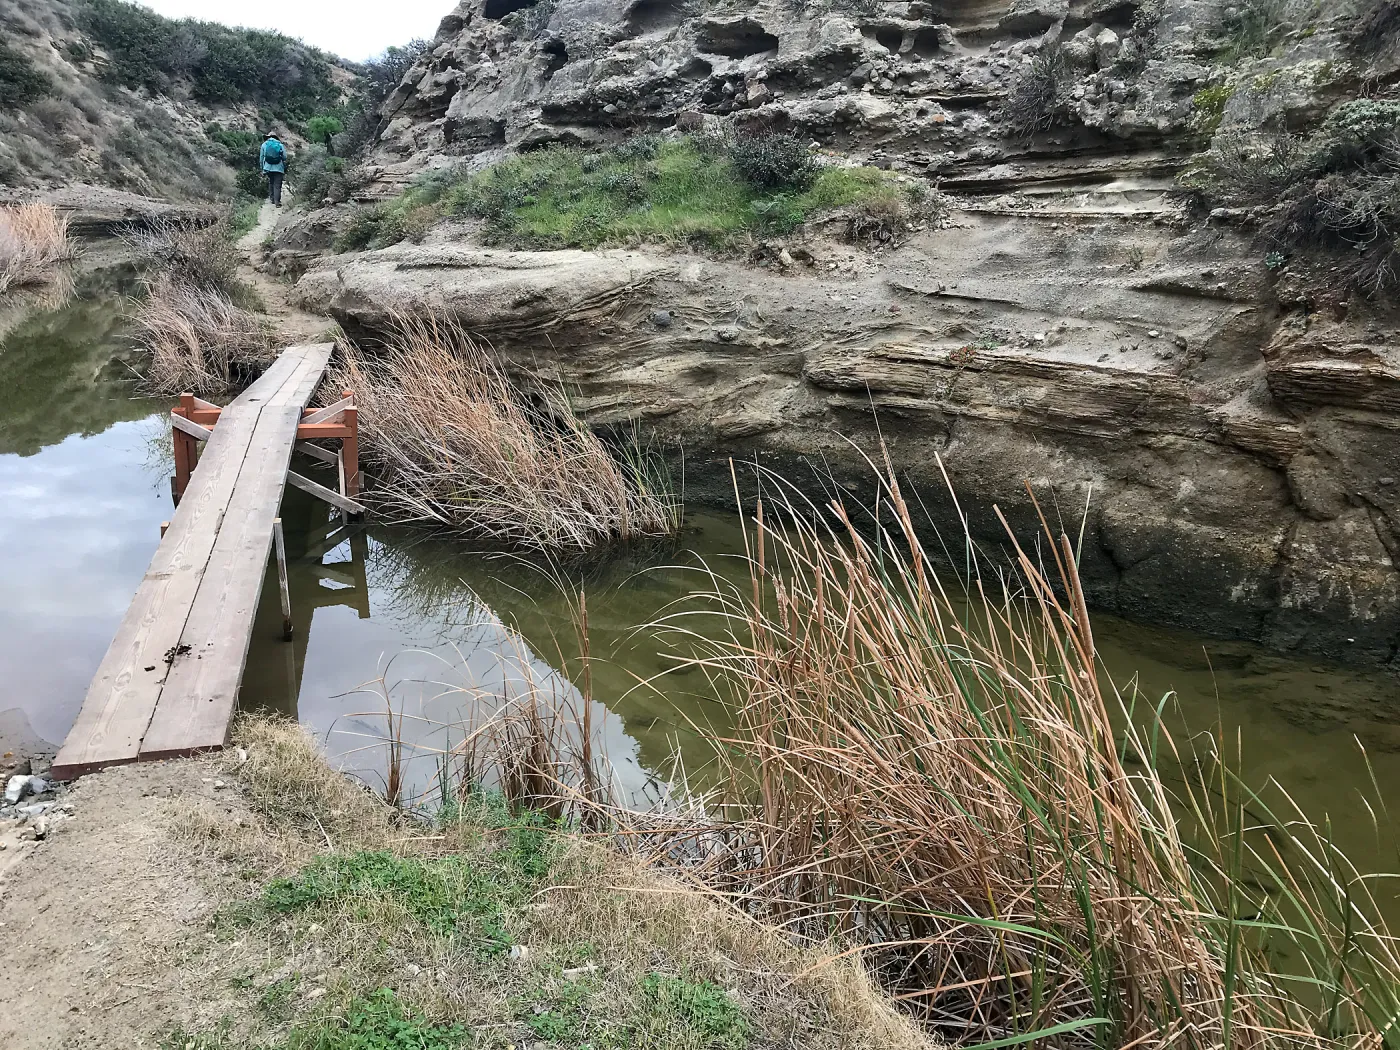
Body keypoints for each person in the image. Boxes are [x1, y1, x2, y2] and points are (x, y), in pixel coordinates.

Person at [260, 132, 287, 207]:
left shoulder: (264, 145)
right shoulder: (280, 145)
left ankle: (272, 199)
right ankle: (277, 202)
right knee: (277, 185)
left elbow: (261, 158)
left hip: (268, 168)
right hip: (279, 168)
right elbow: (285, 157)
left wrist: (262, 169)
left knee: (271, 182)